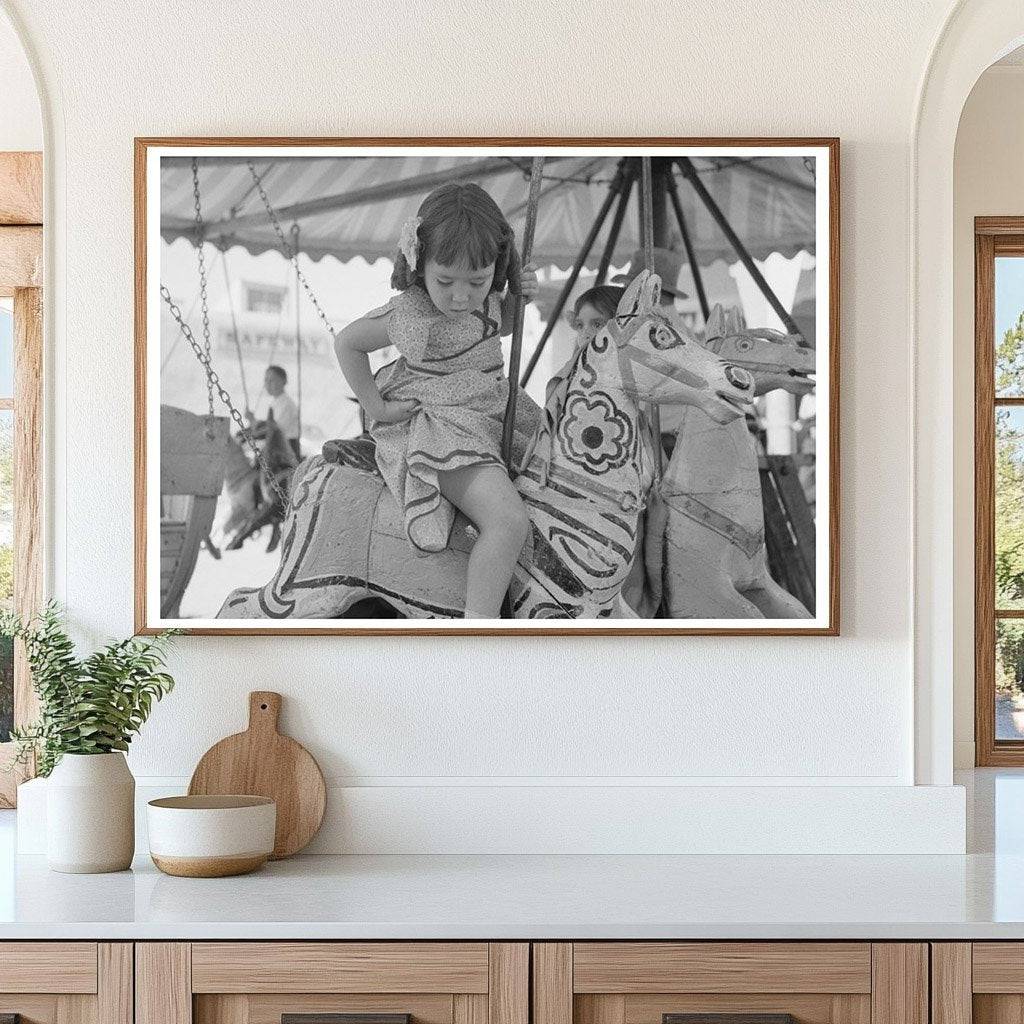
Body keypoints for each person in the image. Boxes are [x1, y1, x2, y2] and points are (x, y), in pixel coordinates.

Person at [334, 182, 540, 619]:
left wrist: (519, 299)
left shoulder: (486, 302)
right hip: (444, 428)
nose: (461, 296)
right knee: (507, 522)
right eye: (445, 280)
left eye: (478, 281)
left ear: (495, 269)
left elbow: (496, 330)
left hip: (491, 409)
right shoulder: (409, 312)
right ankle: (478, 630)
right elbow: (348, 343)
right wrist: (377, 408)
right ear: (418, 262)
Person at [250, 365, 302, 460]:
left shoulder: (287, 404)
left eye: (271, 380)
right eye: (266, 380)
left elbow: (275, 430)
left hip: (286, 449)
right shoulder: (276, 402)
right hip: (277, 447)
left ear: (283, 381)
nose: (268, 384)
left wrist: (254, 430)